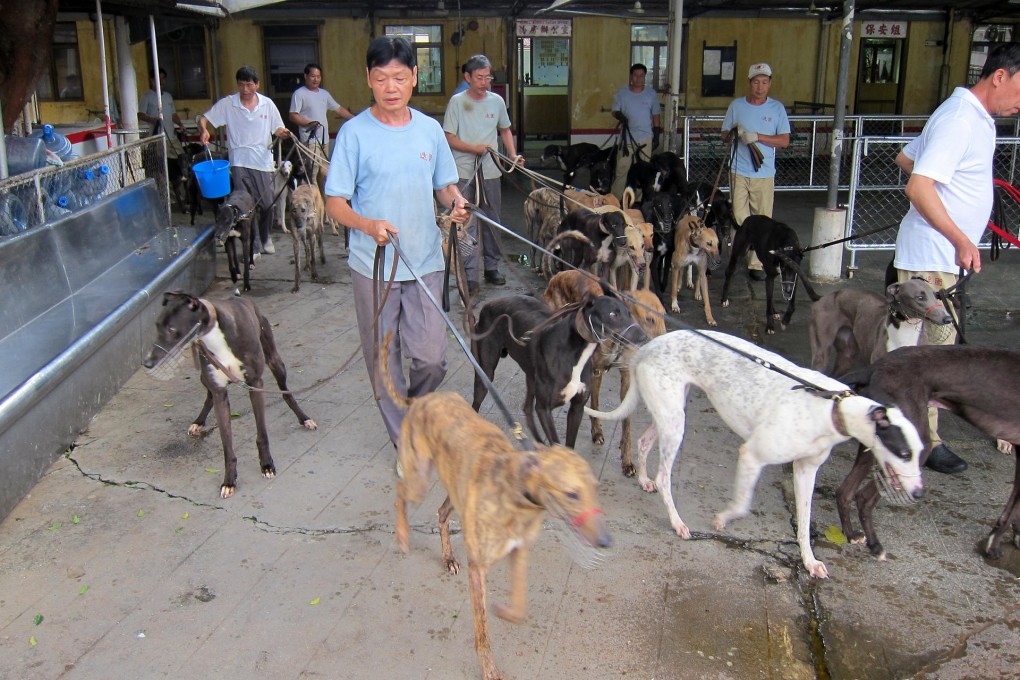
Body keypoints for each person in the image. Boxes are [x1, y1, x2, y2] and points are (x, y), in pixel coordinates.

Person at [324, 36, 469, 448]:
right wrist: (367, 225)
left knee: (431, 358)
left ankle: (418, 414)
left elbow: (445, 186)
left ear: (415, 78)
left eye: (400, 77)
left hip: (424, 260)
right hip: (374, 265)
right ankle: (406, 440)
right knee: (383, 361)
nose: (391, 86)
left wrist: (457, 203)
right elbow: (334, 201)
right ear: (369, 79)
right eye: (382, 77)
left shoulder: (429, 130)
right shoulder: (353, 134)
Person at [892, 42, 1020, 475]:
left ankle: (910, 431)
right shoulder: (961, 118)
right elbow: (918, 185)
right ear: (999, 76)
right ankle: (923, 442)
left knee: (925, 349)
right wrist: (960, 235)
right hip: (934, 255)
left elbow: (906, 158)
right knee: (932, 355)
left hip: (939, 252)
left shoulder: (969, 115)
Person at [443, 53, 522, 293]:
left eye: (488, 77)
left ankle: (491, 267)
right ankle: (469, 272)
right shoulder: (457, 102)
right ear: (468, 77)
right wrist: (474, 149)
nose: (485, 82)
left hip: (490, 171)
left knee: (492, 219)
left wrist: (512, 154)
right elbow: (449, 137)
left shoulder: (496, 101)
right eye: (479, 78)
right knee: (466, 221)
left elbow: (505, 129)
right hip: (464, 172)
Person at [198, 65, 290, 256]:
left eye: (249, 85)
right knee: (245, 207)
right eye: (241, 85)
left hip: (263, 161)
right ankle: (254, 246)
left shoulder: (268, 104)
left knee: (266, 204)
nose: (245, 90)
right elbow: (204, 119)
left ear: (257, 84)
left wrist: (283, 133)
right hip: (239, 161)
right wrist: (204, 130)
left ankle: (265, 237)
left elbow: (278, 128)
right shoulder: (228, 104)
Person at [722, 63, 791, 281]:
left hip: (764, 173)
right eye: (756, 82)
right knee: (739, 217)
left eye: (764, 82)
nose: (760, 87)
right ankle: (737, 255)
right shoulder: (736, 106)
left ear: (770, 83)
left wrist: (758, 137)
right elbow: (724, 135)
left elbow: (784, 141)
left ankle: (756, 263)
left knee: (762, 220)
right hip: (738, 171)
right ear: (749, 83)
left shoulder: (777, 109)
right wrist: (736, 132)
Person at [289, 63, 356, 182]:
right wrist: (308, 123)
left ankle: (324, 200)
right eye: (313, 76)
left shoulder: (324, 94)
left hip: (324, 139)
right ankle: (315, 199)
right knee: (313, 172)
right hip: (310, 140)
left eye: (318, 76)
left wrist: (355, 119)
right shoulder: (299, 94)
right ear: (306, 76)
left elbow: (339, 109)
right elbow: (293, 115)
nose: (316, 79)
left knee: (325, 173)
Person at [611, 63, 661, 200]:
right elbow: (615, 110)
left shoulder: (651, 94)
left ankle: (638, 201)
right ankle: (615, 199)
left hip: (645, 138)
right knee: (622, 169)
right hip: (626, 138)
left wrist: (657, 135)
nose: (638, 78)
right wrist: (619, 116)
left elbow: (656, 114)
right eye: (635, 75)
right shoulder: (622, 93)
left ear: (645, 77)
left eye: (641, 76)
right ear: (631, 76)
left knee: (644, 171)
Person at [138, 68, 187, 157]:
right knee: (165, 161)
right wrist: (153, 120)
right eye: (158, 79)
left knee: (181, 157)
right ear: (152, 80)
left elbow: (173, 115)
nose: (161, 81)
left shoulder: (168, 96)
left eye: (163, 78)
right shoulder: (146, 96)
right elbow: (140, 115)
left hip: (172, 137)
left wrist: (180, 124)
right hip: (158, 137)